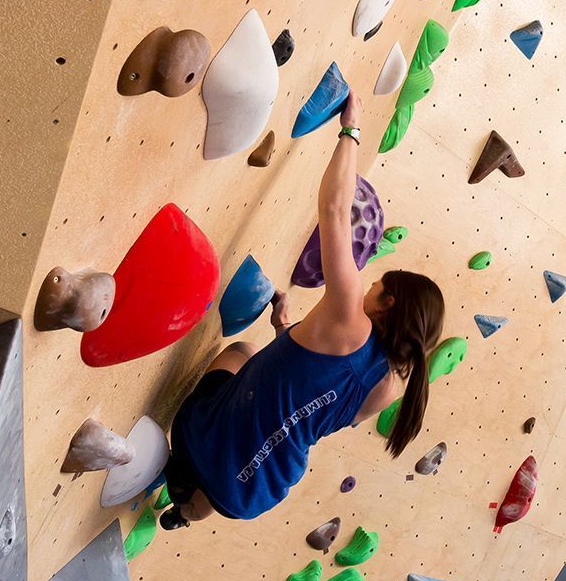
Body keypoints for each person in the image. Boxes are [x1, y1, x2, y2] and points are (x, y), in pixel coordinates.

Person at [159, 94, 444, 529]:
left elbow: (334, 209)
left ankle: (182, 481)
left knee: (240, 352)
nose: (367, 285)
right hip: (256, 489)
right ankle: (186, 512)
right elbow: (310, 404)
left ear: (388, 305)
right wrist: (287, 335)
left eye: (378, 285)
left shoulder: (350, 317)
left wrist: (351, 129)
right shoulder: (391, 385)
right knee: (258, 364)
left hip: (202, 445)